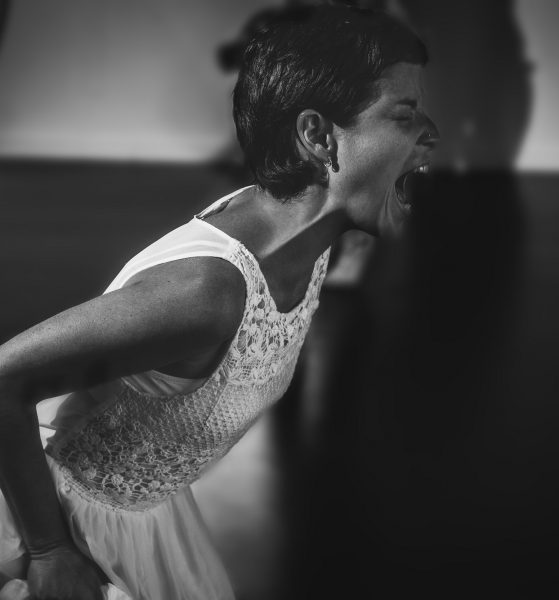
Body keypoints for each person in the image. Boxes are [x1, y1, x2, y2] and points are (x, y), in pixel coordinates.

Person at [0, 5, 438, 599]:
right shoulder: (206, 294)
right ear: (317, 136)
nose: (431, 133)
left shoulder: (307, 237)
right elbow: (4, 376)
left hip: (149, 520)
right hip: (57, 520)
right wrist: (49, 551)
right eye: (404, 115)